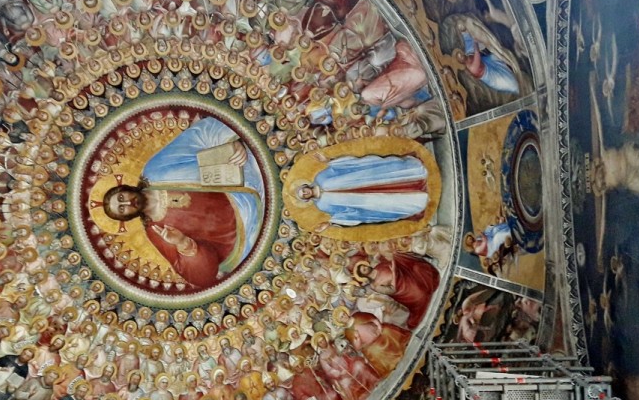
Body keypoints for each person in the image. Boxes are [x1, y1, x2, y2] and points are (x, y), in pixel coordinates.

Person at [100, 117, 264, 288]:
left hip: (248, 169)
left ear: (125, 188)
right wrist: (183, 243)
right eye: (121, 209)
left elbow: (198, 136)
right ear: (127, 217)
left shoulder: (155, 169)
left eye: (121, 198)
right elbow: (201, 277)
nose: (126, 204)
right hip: (249, 235)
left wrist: (231, 145)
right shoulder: (156, 232)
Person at [296, 153, 429, 228]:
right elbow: (343, 213)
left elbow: (340, 167)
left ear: (305, 186)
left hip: (361, 177)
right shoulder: (321, 205)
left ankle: (416, 174)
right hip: (362, 201)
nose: (306, 192)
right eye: (304, 195)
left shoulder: (320, 176)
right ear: (306, 199)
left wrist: (329, 160)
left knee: (387, 175)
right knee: (389, 203)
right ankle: (419, 200)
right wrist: (330, 223)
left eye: (304, 190)